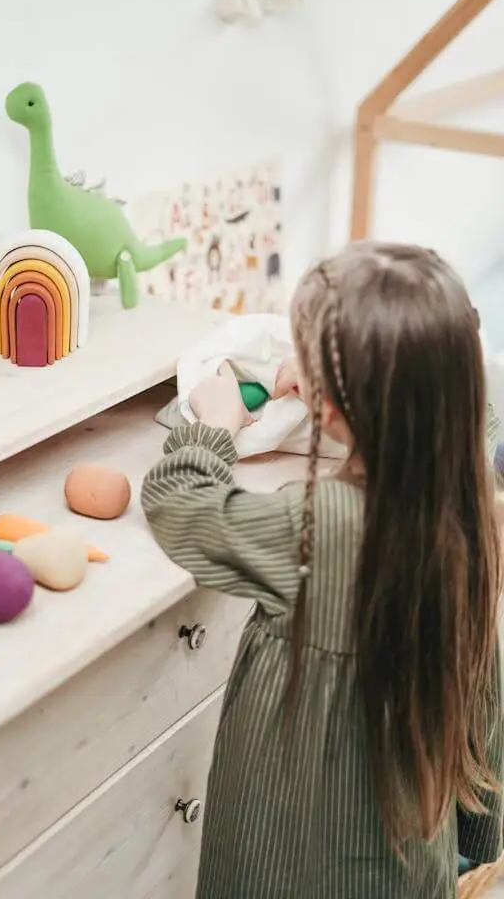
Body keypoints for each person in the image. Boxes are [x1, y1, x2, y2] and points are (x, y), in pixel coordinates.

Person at [141, 242, 504, 898]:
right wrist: (477, 842)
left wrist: (214, 425)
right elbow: (485, 693)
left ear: (334, 404)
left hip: (296, 857)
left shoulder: (316, 527)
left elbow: (181, 510)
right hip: (411, 857)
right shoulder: (469, 502)